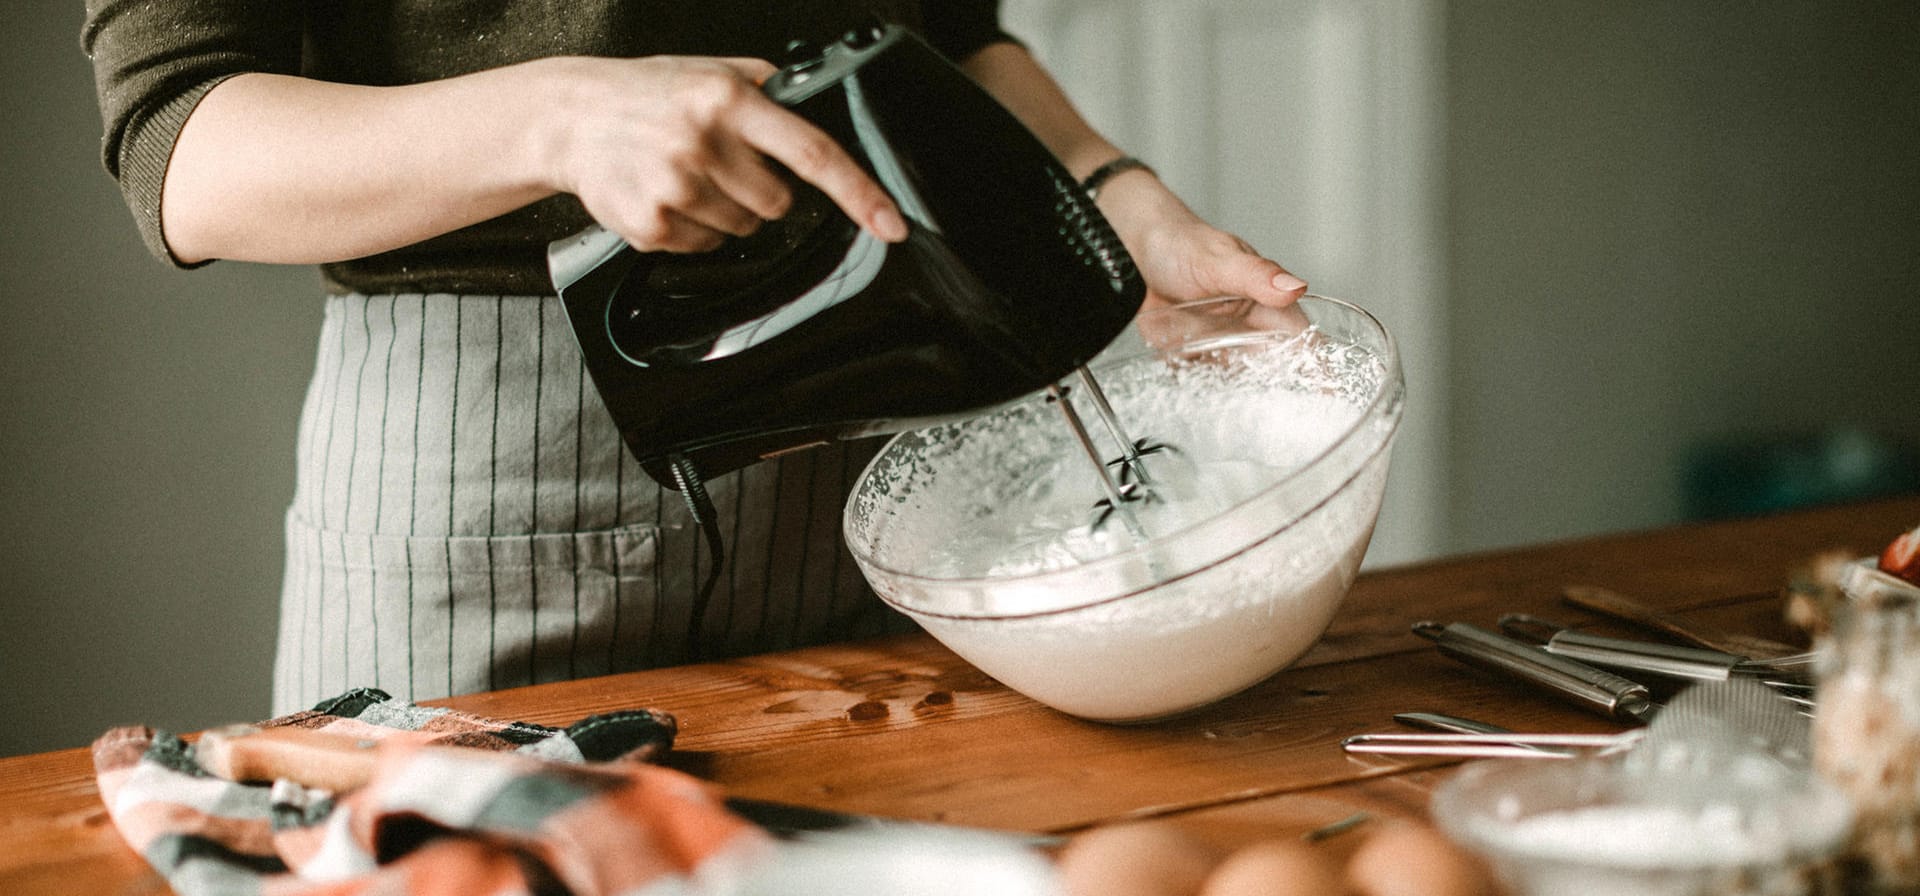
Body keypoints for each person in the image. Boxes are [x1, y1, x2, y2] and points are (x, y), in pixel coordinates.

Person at [83, 1, 1309, 715]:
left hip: (896, 429)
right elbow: (181, 141)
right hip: (483, 477)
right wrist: (562, 119)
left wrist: (1116, 199)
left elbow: (947, 35)